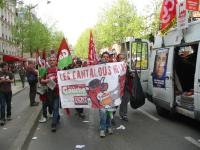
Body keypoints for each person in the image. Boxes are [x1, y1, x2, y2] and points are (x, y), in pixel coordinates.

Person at [41, 56, 60, 132]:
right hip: (49, 93)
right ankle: (57, 117)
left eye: (53, 60)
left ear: (56, 61)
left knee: (55, 107)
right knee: (52, 107)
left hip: (57, 92)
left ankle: (53, 124)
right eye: (50, 60)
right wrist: (46, 81)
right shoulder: (46, 71)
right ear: (48, 62)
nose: (52, 61)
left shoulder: (59, 70)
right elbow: (41, 80)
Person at [99, 51, 113, 137]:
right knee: (103, 112)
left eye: (107, 57)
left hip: (110, 93)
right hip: (101, 94)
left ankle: (109, 127)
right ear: (101, 58)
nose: (105, 58)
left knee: (109, 112)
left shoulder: (113, 67)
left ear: (109, 58)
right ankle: (102, 129)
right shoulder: (97, 67)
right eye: (104, 57)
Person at [117, 53, 130, 121]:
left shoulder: (127, 66)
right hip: (117, 87)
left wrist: (132, 74)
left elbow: (129, 75)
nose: (122, 59)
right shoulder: (114, 67)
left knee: (125, 101)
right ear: (118, 59)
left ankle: (124, 114)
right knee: (115, 102)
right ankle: (111, 115)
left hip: (125, 87)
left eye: (123, 58)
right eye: (120, 58)